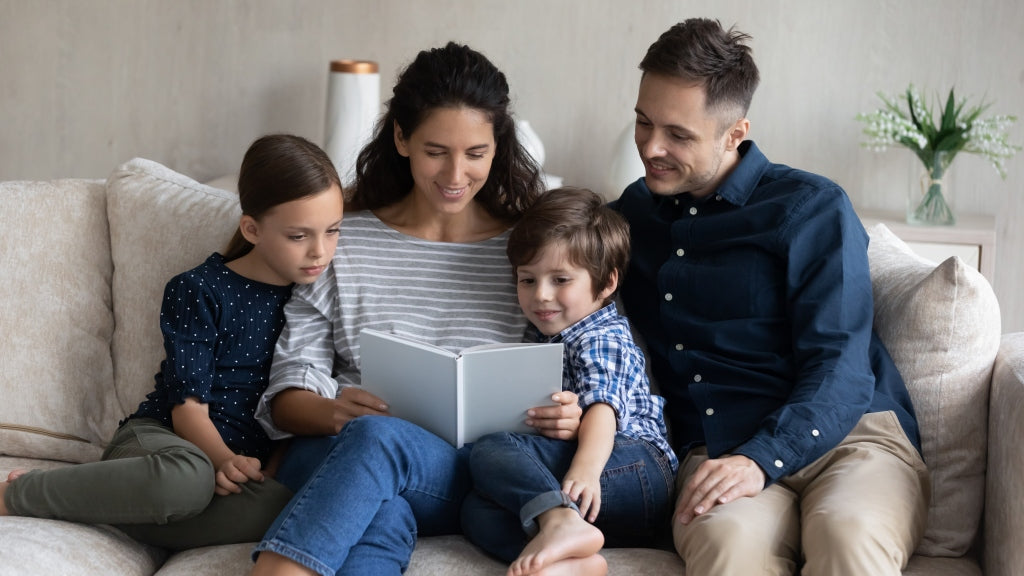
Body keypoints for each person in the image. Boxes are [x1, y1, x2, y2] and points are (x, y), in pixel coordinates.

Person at [609, 18, 931, 575]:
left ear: (735, 133)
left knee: (847, 536)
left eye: (679, 135)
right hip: (718, 447)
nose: (652, 148)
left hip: (851, 439)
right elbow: (556, 280)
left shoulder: (811, 208)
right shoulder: (631, 217)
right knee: (729, 549)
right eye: (643, 122)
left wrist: (762, 458)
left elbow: (841, 369)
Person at [248, 42, 583, 576]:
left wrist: (568, 413)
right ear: (401, 137)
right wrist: (335, 412)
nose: (455, 174)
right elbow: (286, 395)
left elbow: (578, 363)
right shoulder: (343, 240)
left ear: (498, 146)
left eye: (475, 153)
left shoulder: (529, 253)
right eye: (435, 151)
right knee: (381, 506)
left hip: (462, 475)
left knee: (380, 447)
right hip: (340, 450)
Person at [0, 134, 344, 550]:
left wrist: (255, 473)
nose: (319, 252)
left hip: (229, 474)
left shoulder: (314, 303)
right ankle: (20, 494)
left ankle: (123, 509)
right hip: (161, 446)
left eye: (333, 231)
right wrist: (222, 460)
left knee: (289, 508)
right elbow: (187, 410)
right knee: (188, 477)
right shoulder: (200, 289)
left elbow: (292, 420)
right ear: (252, 229)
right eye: (299, 236)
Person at [461, 187, 678, 576]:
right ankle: (568, 559)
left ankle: (561, 521)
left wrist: (586, 469)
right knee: (475, 509)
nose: (541, 296)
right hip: (593, 485)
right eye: (527, 280)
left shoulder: (600, 334)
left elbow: (604, 407)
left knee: (492, 449)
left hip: (634, 468)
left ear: (607, 283)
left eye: (560, 279)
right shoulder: (542, 338)